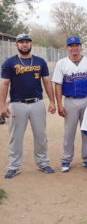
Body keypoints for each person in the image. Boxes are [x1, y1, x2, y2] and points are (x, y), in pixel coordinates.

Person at [0, 33, 56, 178]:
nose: (24, 44)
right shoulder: (9, 63)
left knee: (41, 135)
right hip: (17, 103)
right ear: (16, 45)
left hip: (37, 102)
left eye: (27, 42)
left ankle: (43, 162)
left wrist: (52, 101)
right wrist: (2, 105)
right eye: (21, 42)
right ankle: (14, 166)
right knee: (15, 137)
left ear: (31, 44)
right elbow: (4, 83)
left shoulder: (40, 62)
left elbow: (47, 82)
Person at [52, 35, 87, 172]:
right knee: (69, 132)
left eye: (77, 45)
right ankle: (66, 159)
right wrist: (59, 104)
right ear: (67, 48)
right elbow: (58, 84)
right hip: (69, 100)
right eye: (71, 46)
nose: (74, 48)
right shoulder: (61, 63)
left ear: (81, 47)